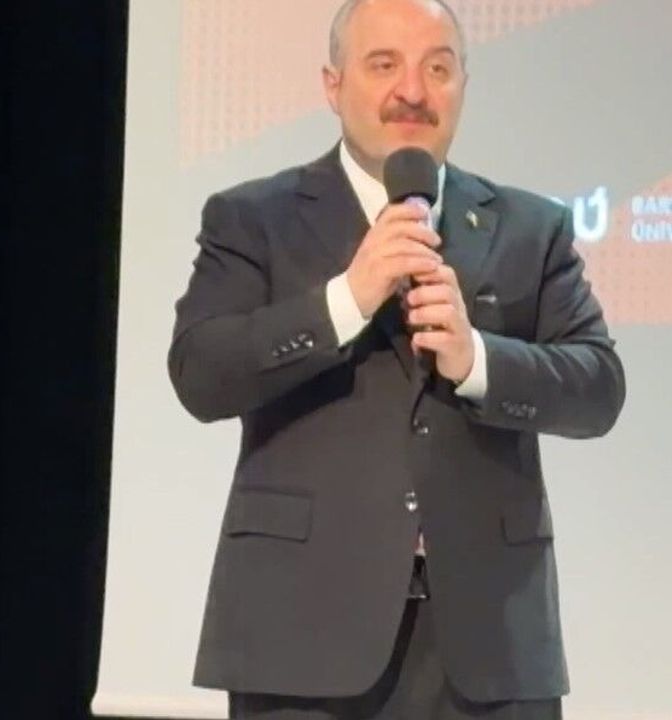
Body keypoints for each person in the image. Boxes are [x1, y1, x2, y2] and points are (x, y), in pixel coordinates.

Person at [168, 0, 624, 717]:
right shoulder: (254, 218)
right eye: (384, 65)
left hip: (490, 646)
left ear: (463, 85)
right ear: (333, 85)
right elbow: (201, 374)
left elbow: (598, 389)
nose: (412, 91)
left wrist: (477, 359)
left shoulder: (530, 228)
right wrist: (345, 301)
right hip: (301, 638)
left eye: (437, 68)